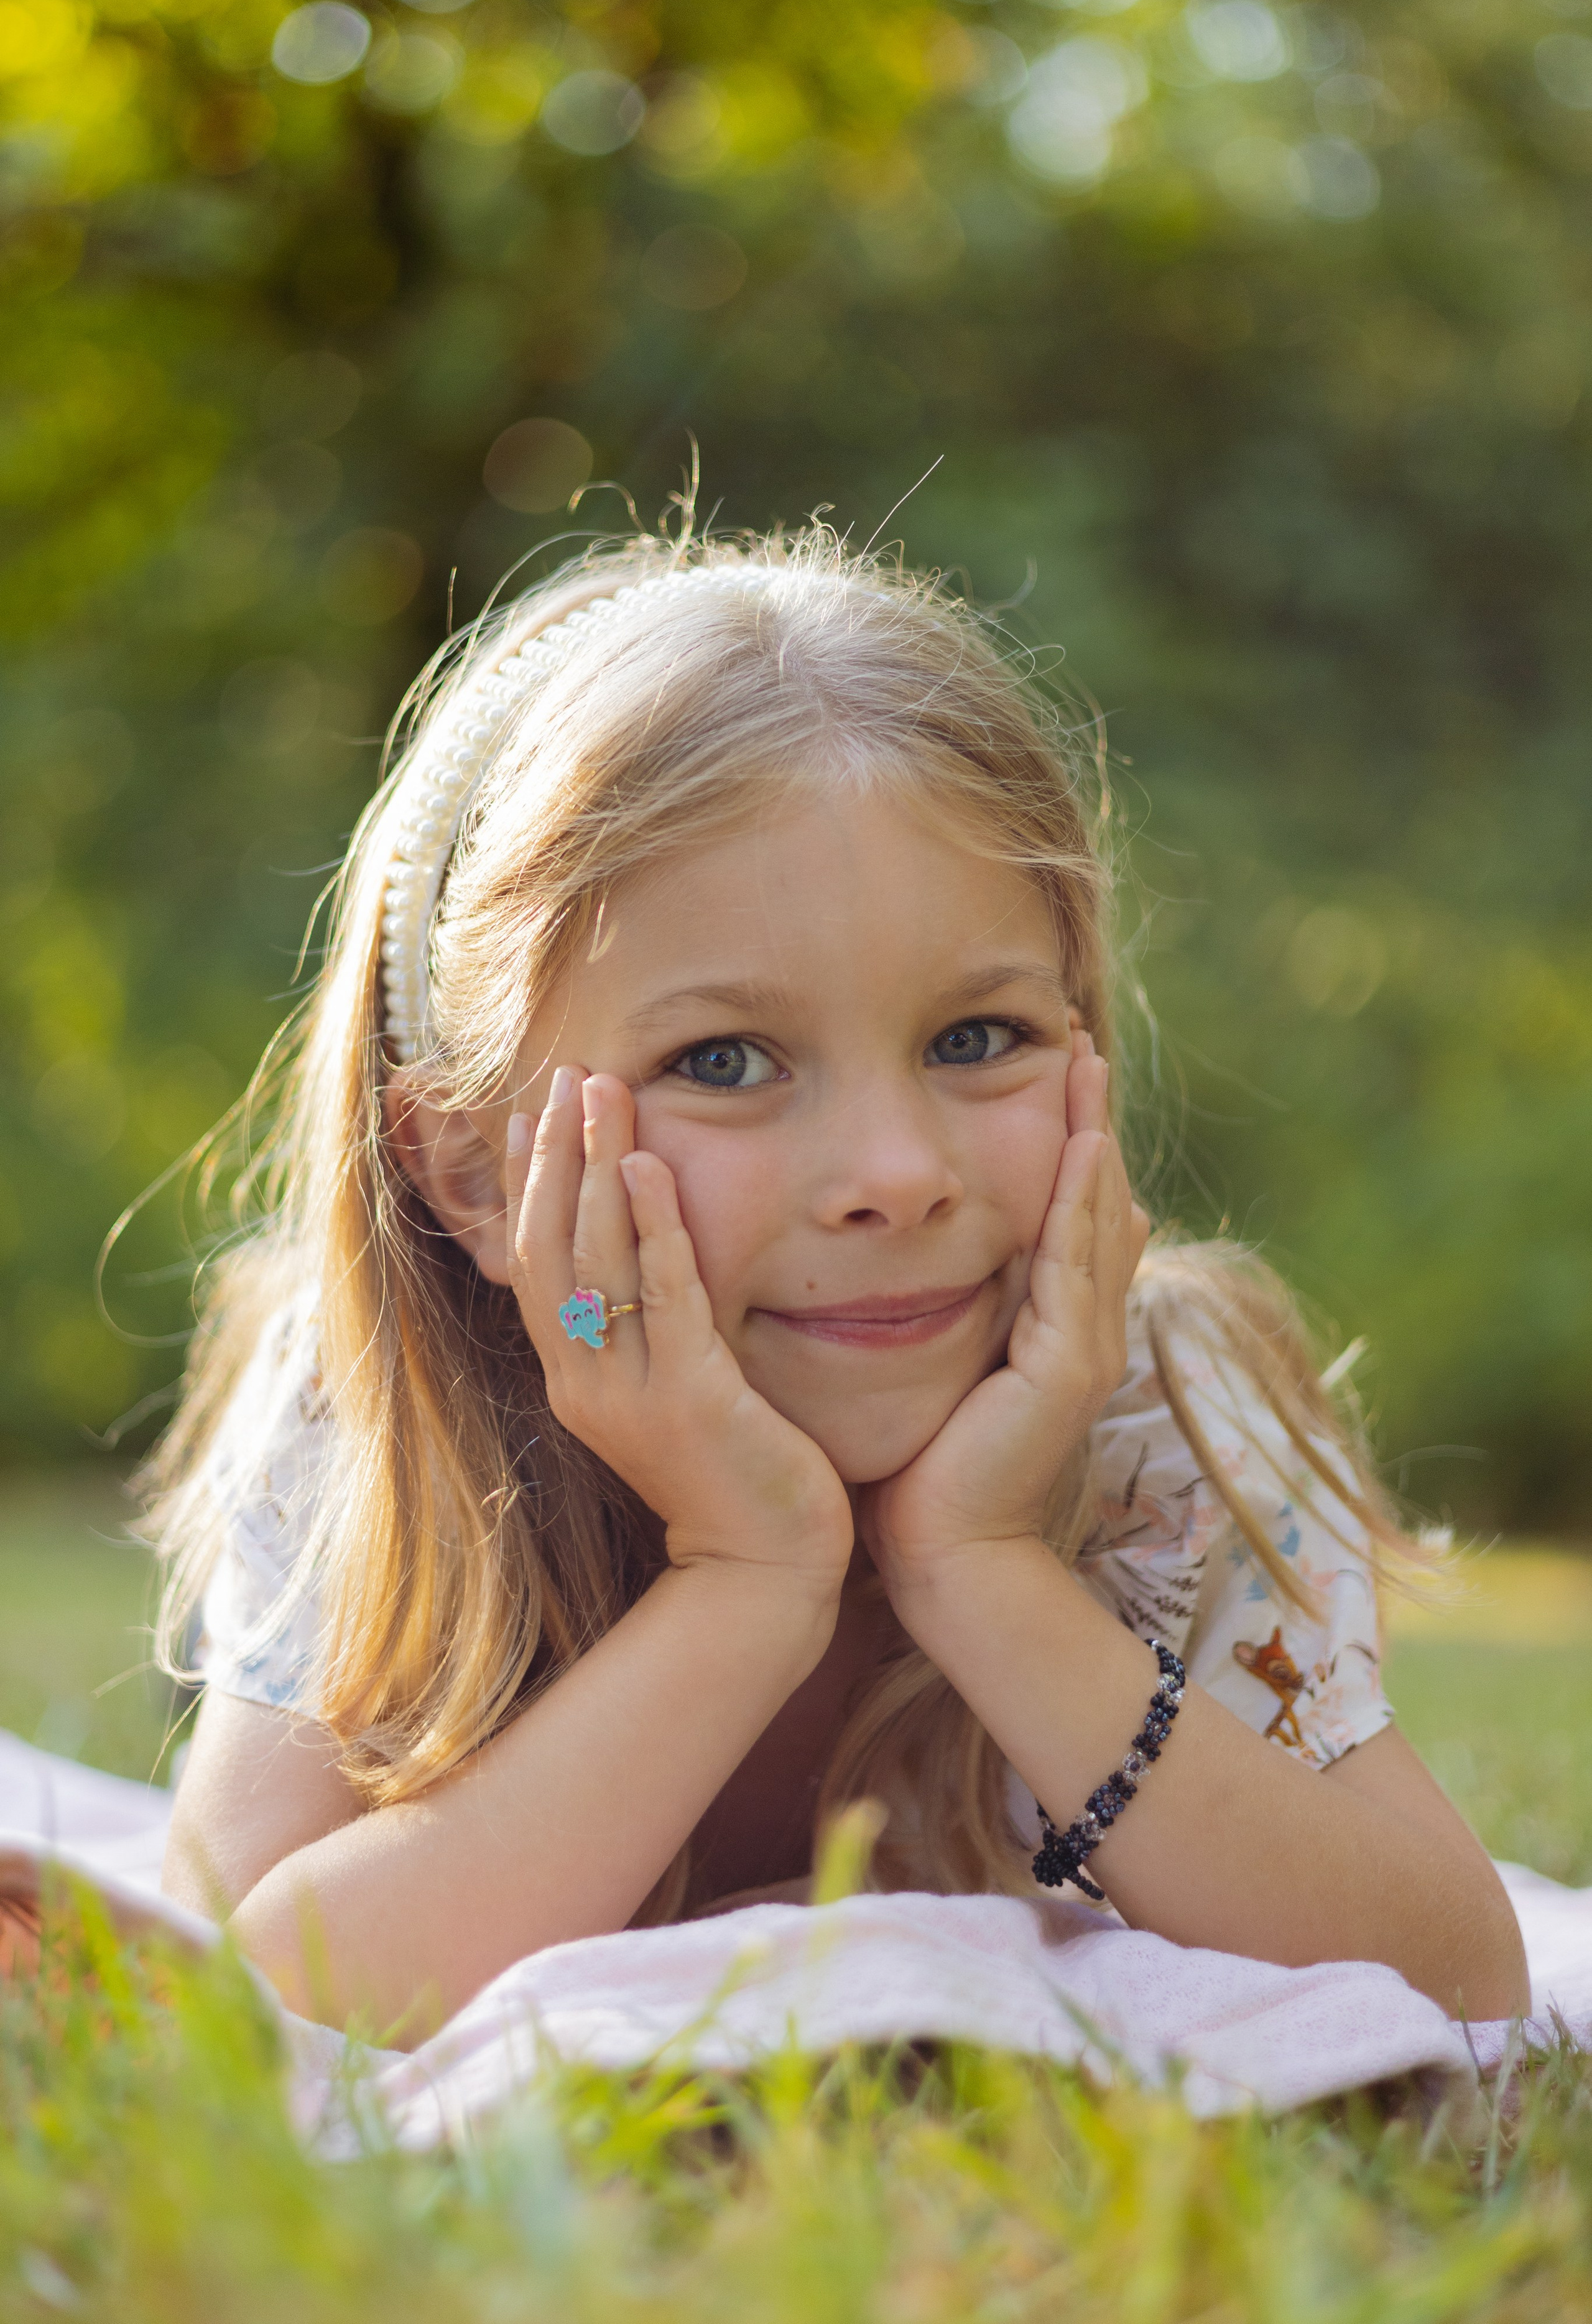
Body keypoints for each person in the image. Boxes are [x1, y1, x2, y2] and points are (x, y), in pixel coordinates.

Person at [147, 534, 1527, 2044]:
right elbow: (226, 2002)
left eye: (973, 1039)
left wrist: (988, 1565)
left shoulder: (1152, 1423)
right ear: (474, 1175)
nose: (894, 1171)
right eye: (724, 1062)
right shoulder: (381, 1415)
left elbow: (1460, 1983)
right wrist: (745, 1580)